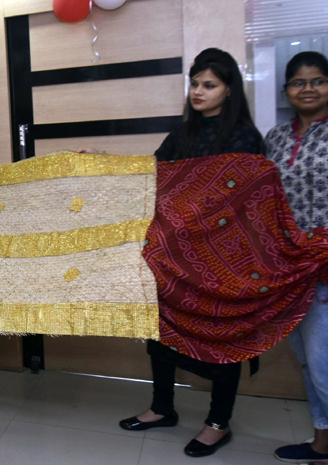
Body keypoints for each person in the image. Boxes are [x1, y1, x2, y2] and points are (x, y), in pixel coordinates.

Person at [116, 48, 265, 458]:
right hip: (177, 258)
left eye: (209, 85)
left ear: (229, 90)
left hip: (222, 262)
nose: (198, 91)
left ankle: (218, 423)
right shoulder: (182, 134)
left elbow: (244, 202)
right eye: (195, 83)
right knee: (162, 335)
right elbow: (151, 176)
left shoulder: (245, 138)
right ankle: (162, 408)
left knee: (222, 341)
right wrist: (104, 166)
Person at [265, 51, 328, 464]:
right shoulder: (275, 138)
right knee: (308, 361)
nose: (307, 89)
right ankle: (322, 444)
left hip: (326, 268)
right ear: (286, 90)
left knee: (324, 363)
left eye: (318, 81)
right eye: (298, 83)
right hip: (290, 269)